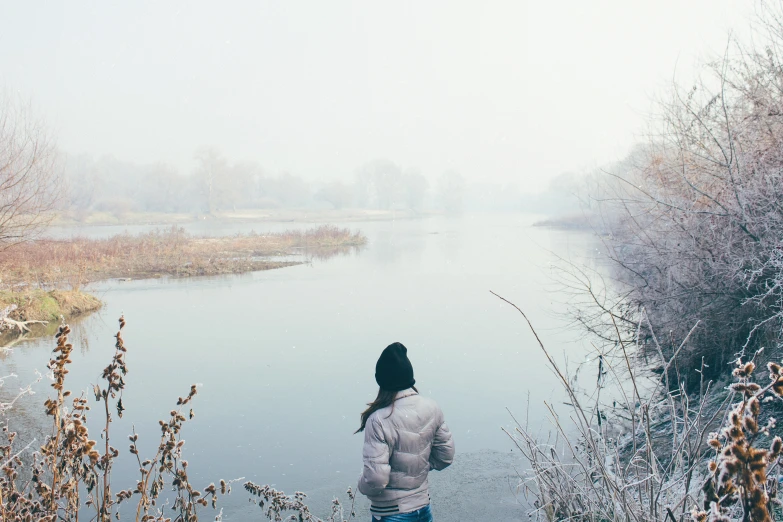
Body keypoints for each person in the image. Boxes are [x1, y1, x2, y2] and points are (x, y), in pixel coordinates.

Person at [356, 342, 455, 522]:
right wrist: (416, 469)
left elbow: (376, 480)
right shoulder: (431, 407)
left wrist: (361, 485)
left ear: (382, 380)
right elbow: (445, 457)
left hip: (391, 512)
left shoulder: (378, 419)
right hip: (423, 507)